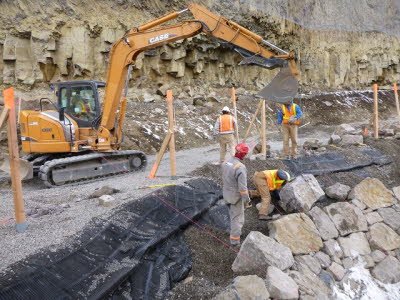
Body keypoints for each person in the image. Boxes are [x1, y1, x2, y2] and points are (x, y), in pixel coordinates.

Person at [221, 143, 250, 247]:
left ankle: (234, 233)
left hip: (226, 194)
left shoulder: (226, 162)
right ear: (243, 154)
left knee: (233, 217)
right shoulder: (240, 167)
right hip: (235, 197)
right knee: (237, 219)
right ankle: (235, 242)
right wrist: (247, 199)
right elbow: (243, 188)